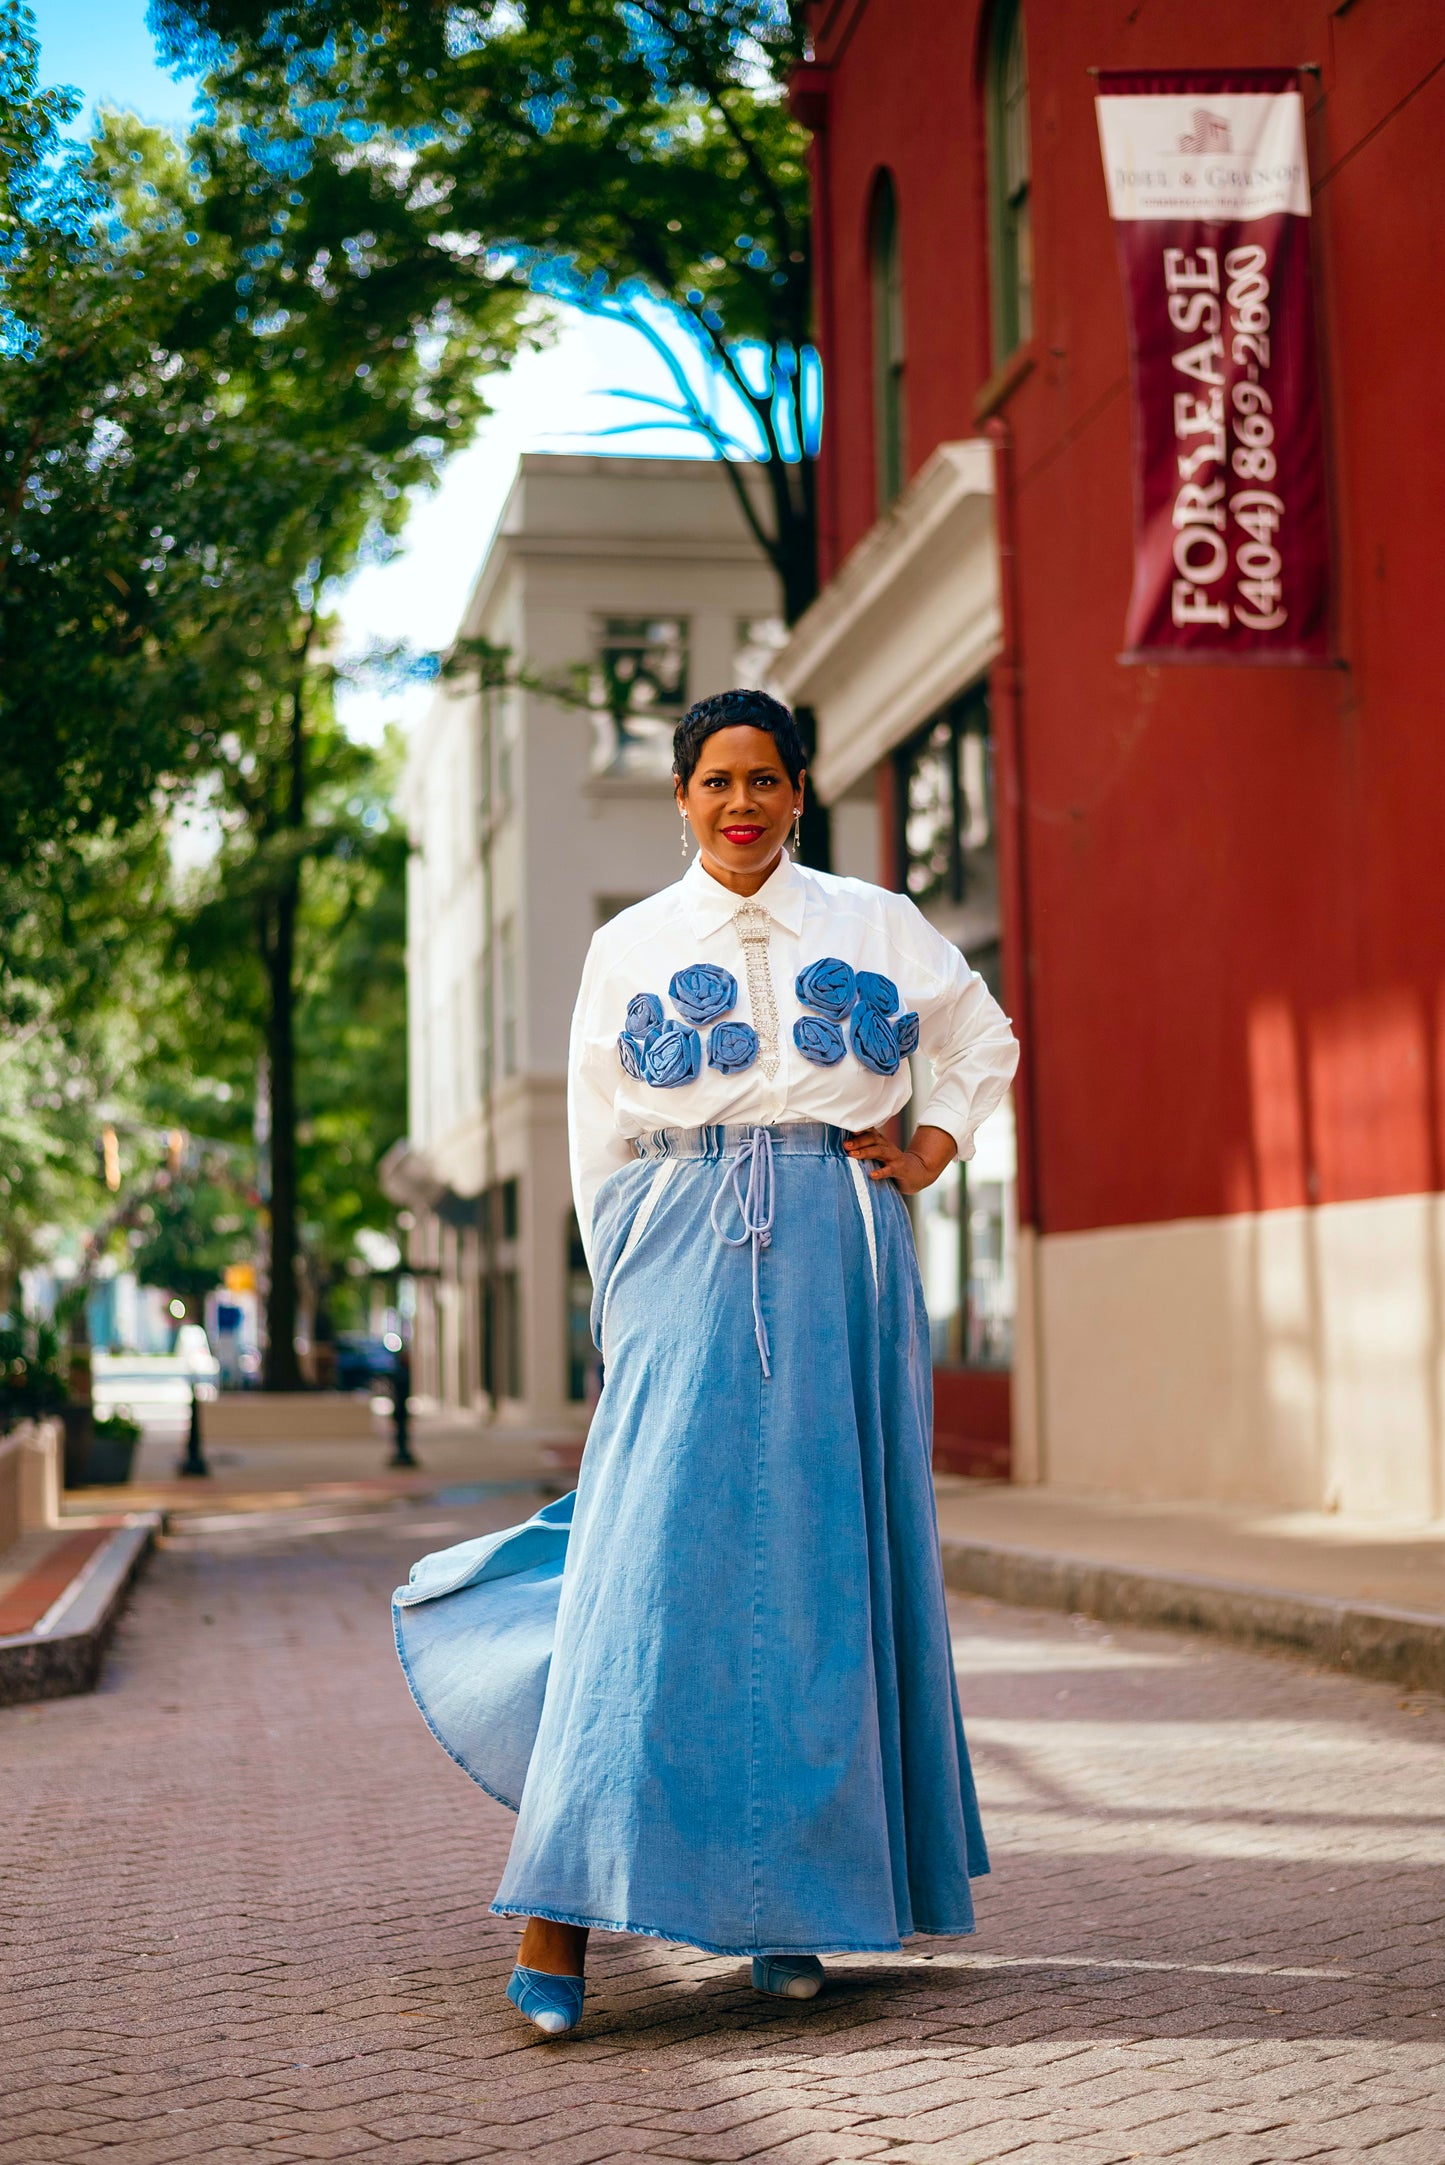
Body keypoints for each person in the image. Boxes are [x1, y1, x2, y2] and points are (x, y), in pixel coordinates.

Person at [394, 688, 1019, 2037]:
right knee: (642, 1562)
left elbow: (981, 1037)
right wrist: (625, 1294)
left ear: (800, 791)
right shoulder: (629, 943)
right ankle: (552, 1912)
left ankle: (788, 1909)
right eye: (715, 781)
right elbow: (592, 1139)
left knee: (817, 1571)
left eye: (764, 779)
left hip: (845, 1251)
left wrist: (927, 1149)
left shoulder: (874, 924)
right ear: (680, 797)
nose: (740, 804)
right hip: (679, 1244)